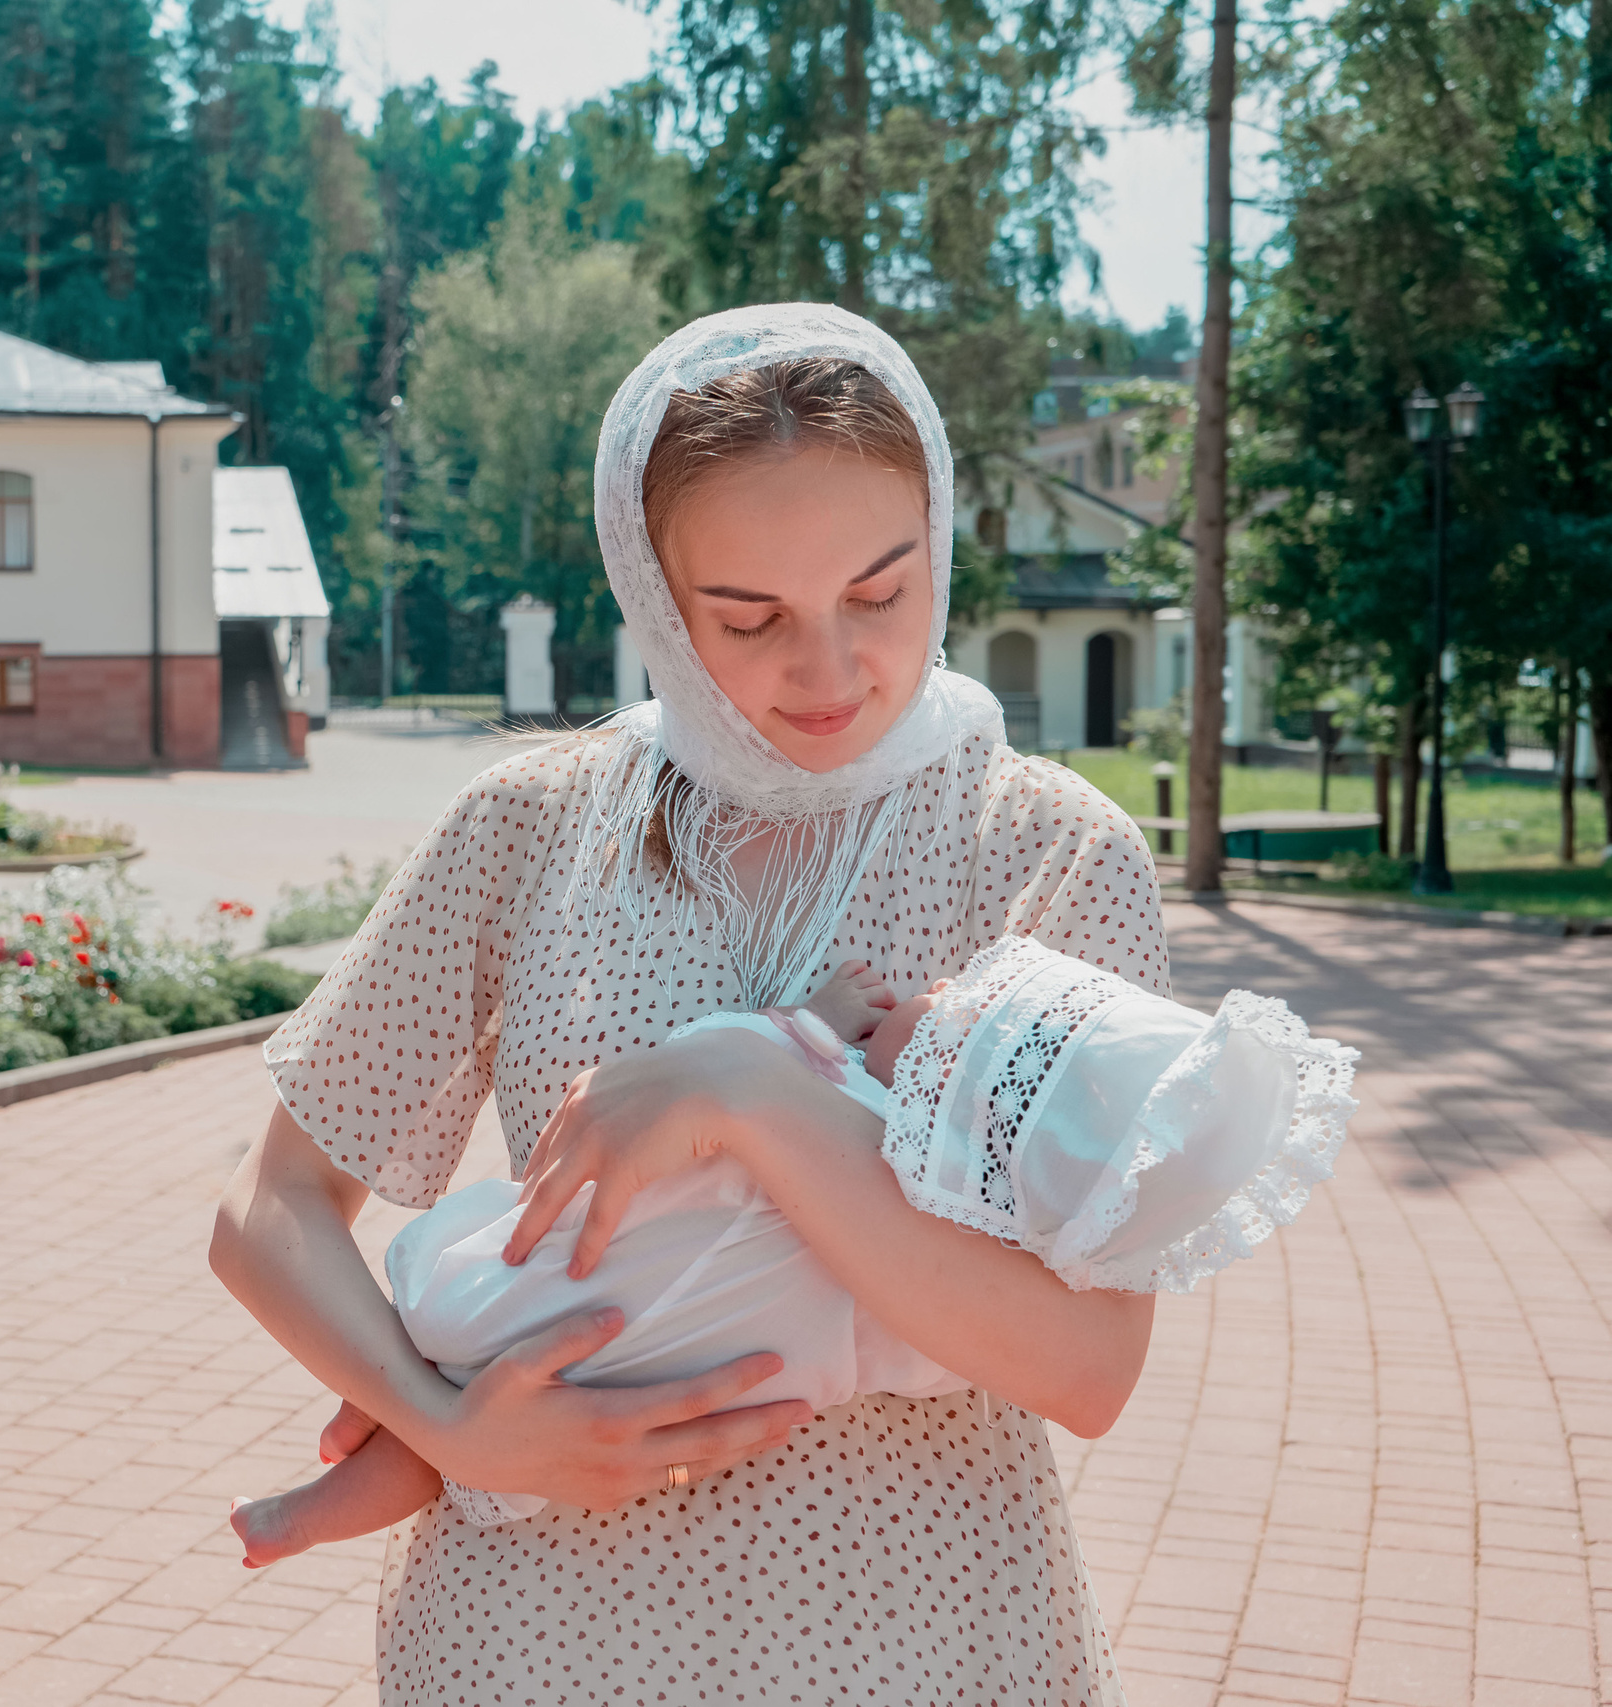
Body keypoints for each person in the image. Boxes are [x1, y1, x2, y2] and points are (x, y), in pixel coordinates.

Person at [211, 302, 1186, 1705]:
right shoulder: (528, 826)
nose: (830, 670)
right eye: (749, 617)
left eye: (881, 593)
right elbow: (271, 1205)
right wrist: (451, 1430)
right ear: (657, 600)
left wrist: (758, 1098)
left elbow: (1088, 1363)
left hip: (920, 1644)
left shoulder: (1045, 851)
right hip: (534, 1648)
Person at [228, 937, 1358, 1564]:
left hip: (512, 1285)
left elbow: (723, 1051)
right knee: (450, 1444)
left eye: (950, 1010)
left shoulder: (835, 1089)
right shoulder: (930, 1251)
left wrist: (810, 1020)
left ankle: (338, 1472)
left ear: (952, 1090)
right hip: (611, 1383)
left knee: (443, 1397)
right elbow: (940, 1355)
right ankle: (314, 1504)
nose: (932, 985)